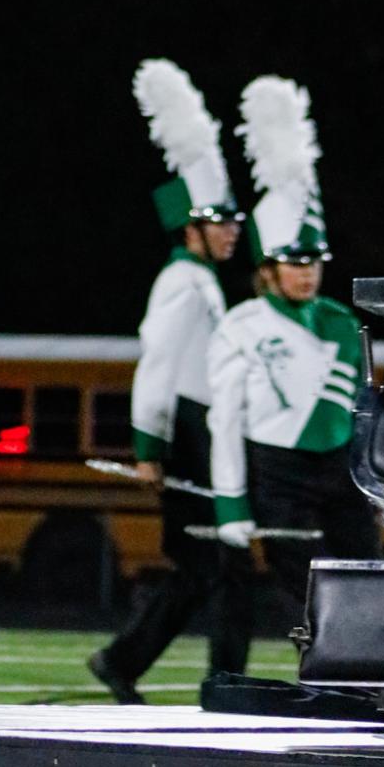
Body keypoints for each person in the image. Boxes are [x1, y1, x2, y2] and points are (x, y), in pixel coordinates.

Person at [89, 60, 252, 704]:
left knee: (207, 568)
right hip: (187, 436)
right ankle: (211, 680)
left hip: (201, 435)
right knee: (215, 566)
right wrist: (150, 450)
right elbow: (157, 364)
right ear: (192, 226)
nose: (233, 229)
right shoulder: (183, 283)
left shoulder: (204, 282)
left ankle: (130, 662)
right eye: (221, 220)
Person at [208, 75, 379, 635]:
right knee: (299, 584)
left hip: (341, 467)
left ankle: (368, 676)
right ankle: (321, 670)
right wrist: (231, 502)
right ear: (268, 268)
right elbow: (225, 418)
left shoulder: (341, 320)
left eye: (313, 262)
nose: (306, 272)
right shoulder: (242, 325)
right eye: (293, 262)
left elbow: (360, 405)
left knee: (366, 573)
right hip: (277, 466)